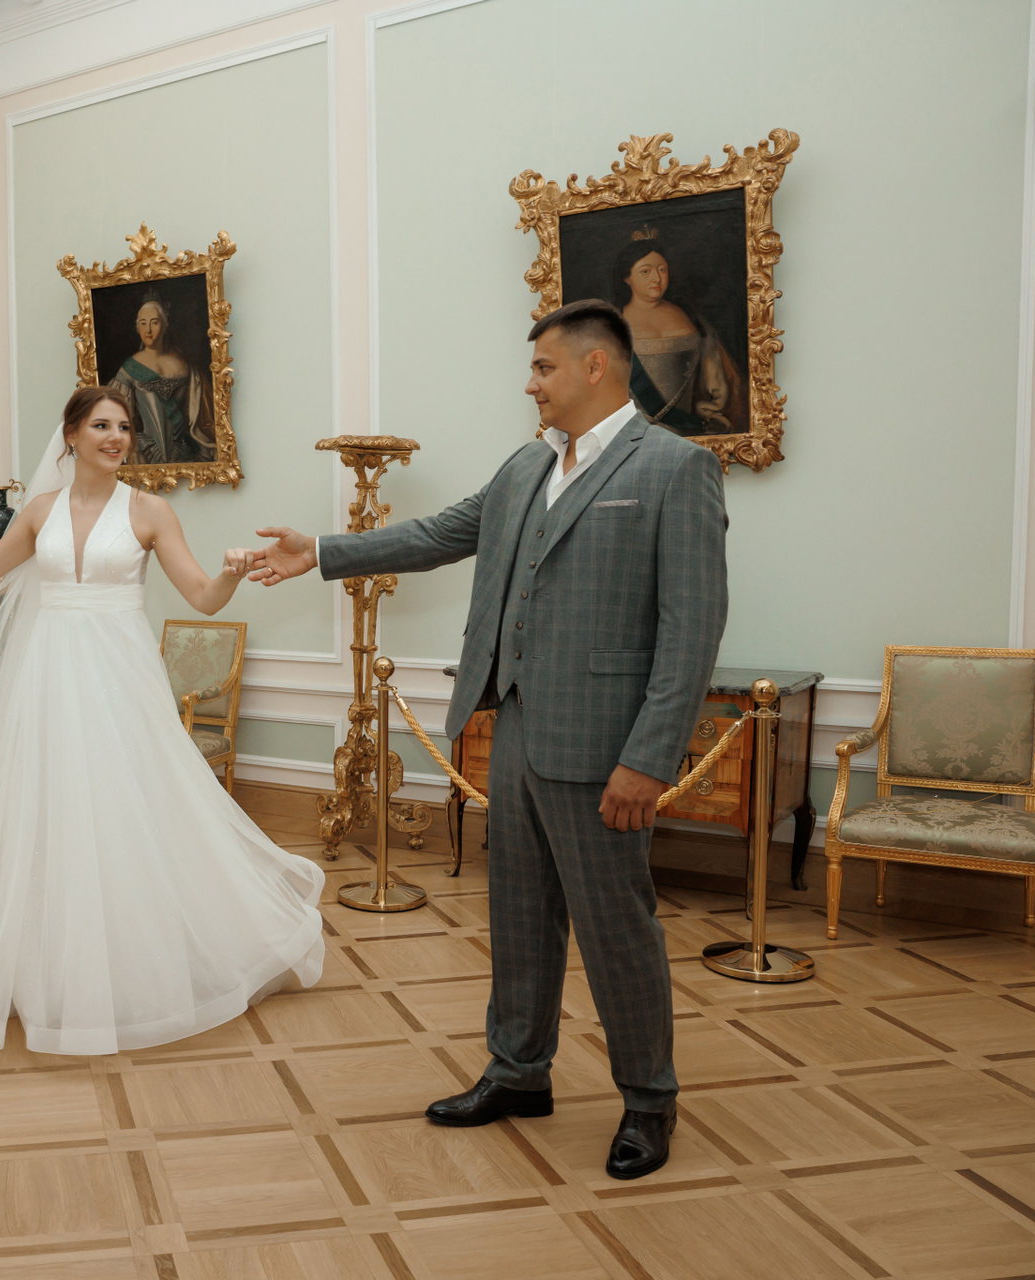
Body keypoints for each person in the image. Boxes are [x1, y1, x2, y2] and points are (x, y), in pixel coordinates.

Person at [249, 298, 728, 1180]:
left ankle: (648, 1101)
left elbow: (691, 629)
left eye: (543, 367)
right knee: (517, 918)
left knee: (616, 931)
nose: (530, 383)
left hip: (605, 748)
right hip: (513, 730)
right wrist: (320, 550)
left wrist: (647, 759)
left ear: (594, 366)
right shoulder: (526, 465)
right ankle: (517, 1072)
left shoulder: (675, 467)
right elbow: (439, 534)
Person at [0, 386, 324, 1055]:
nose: (116, 437)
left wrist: (231, 574)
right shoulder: (39, 512)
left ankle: (136, 960)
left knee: (126, 808)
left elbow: (202, 598)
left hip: (119, 680)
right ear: (70, 435)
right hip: (46, 676)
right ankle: (44, 960)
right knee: (47, 809)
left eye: (124, 426)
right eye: (101, 425)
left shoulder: (150, 511)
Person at [612, 228, 745, 436]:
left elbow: (715, 376)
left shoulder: (691, 318)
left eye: (662, 269)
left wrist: (710, 411)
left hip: (687, 430)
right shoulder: (612, 326)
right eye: (645, 271)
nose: (656, 278)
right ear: (627, 277)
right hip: (635, 435)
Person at [108, 295, 214, 464]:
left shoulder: (186, 366)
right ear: (137, 327)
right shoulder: (130, 368)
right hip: (144, 453)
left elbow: (200, 416)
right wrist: (132, 446)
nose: (148, 330)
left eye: (154, 322)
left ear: (165, 325)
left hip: (183, 453)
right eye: (143, 323)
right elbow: (116, 417)